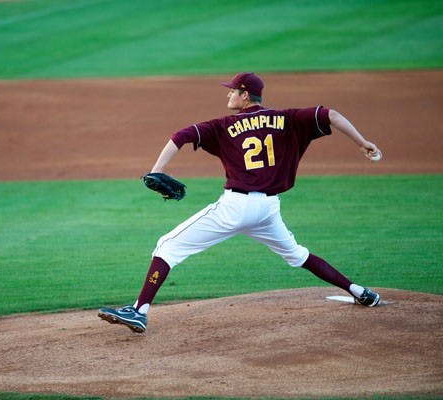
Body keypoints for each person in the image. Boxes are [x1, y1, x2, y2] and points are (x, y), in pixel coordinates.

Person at [99, 72, 381, 334]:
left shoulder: (224, 125)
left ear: (245, 95)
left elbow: (180, 136)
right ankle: (360, 292)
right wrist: (361, 141)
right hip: (268, 210)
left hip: (236, 207)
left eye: (232, 91)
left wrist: (156, 170)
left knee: (168, 245)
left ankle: (139, 311)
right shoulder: (288, 118)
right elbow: (330, 114)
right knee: (298, 255)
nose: (228, 96)